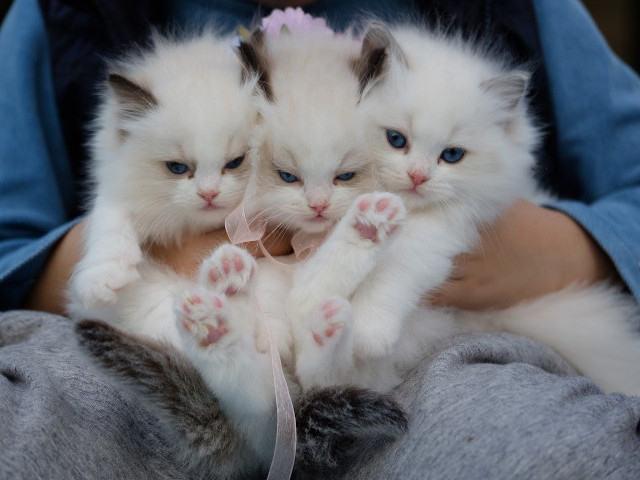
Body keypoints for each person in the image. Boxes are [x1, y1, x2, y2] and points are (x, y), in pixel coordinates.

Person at [1, 0, 640, 478]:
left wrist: (556, 249)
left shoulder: (517, 13)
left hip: (442, 348)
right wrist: (141, 241)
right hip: (135, 345)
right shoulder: (63, 12)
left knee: (558, 451)